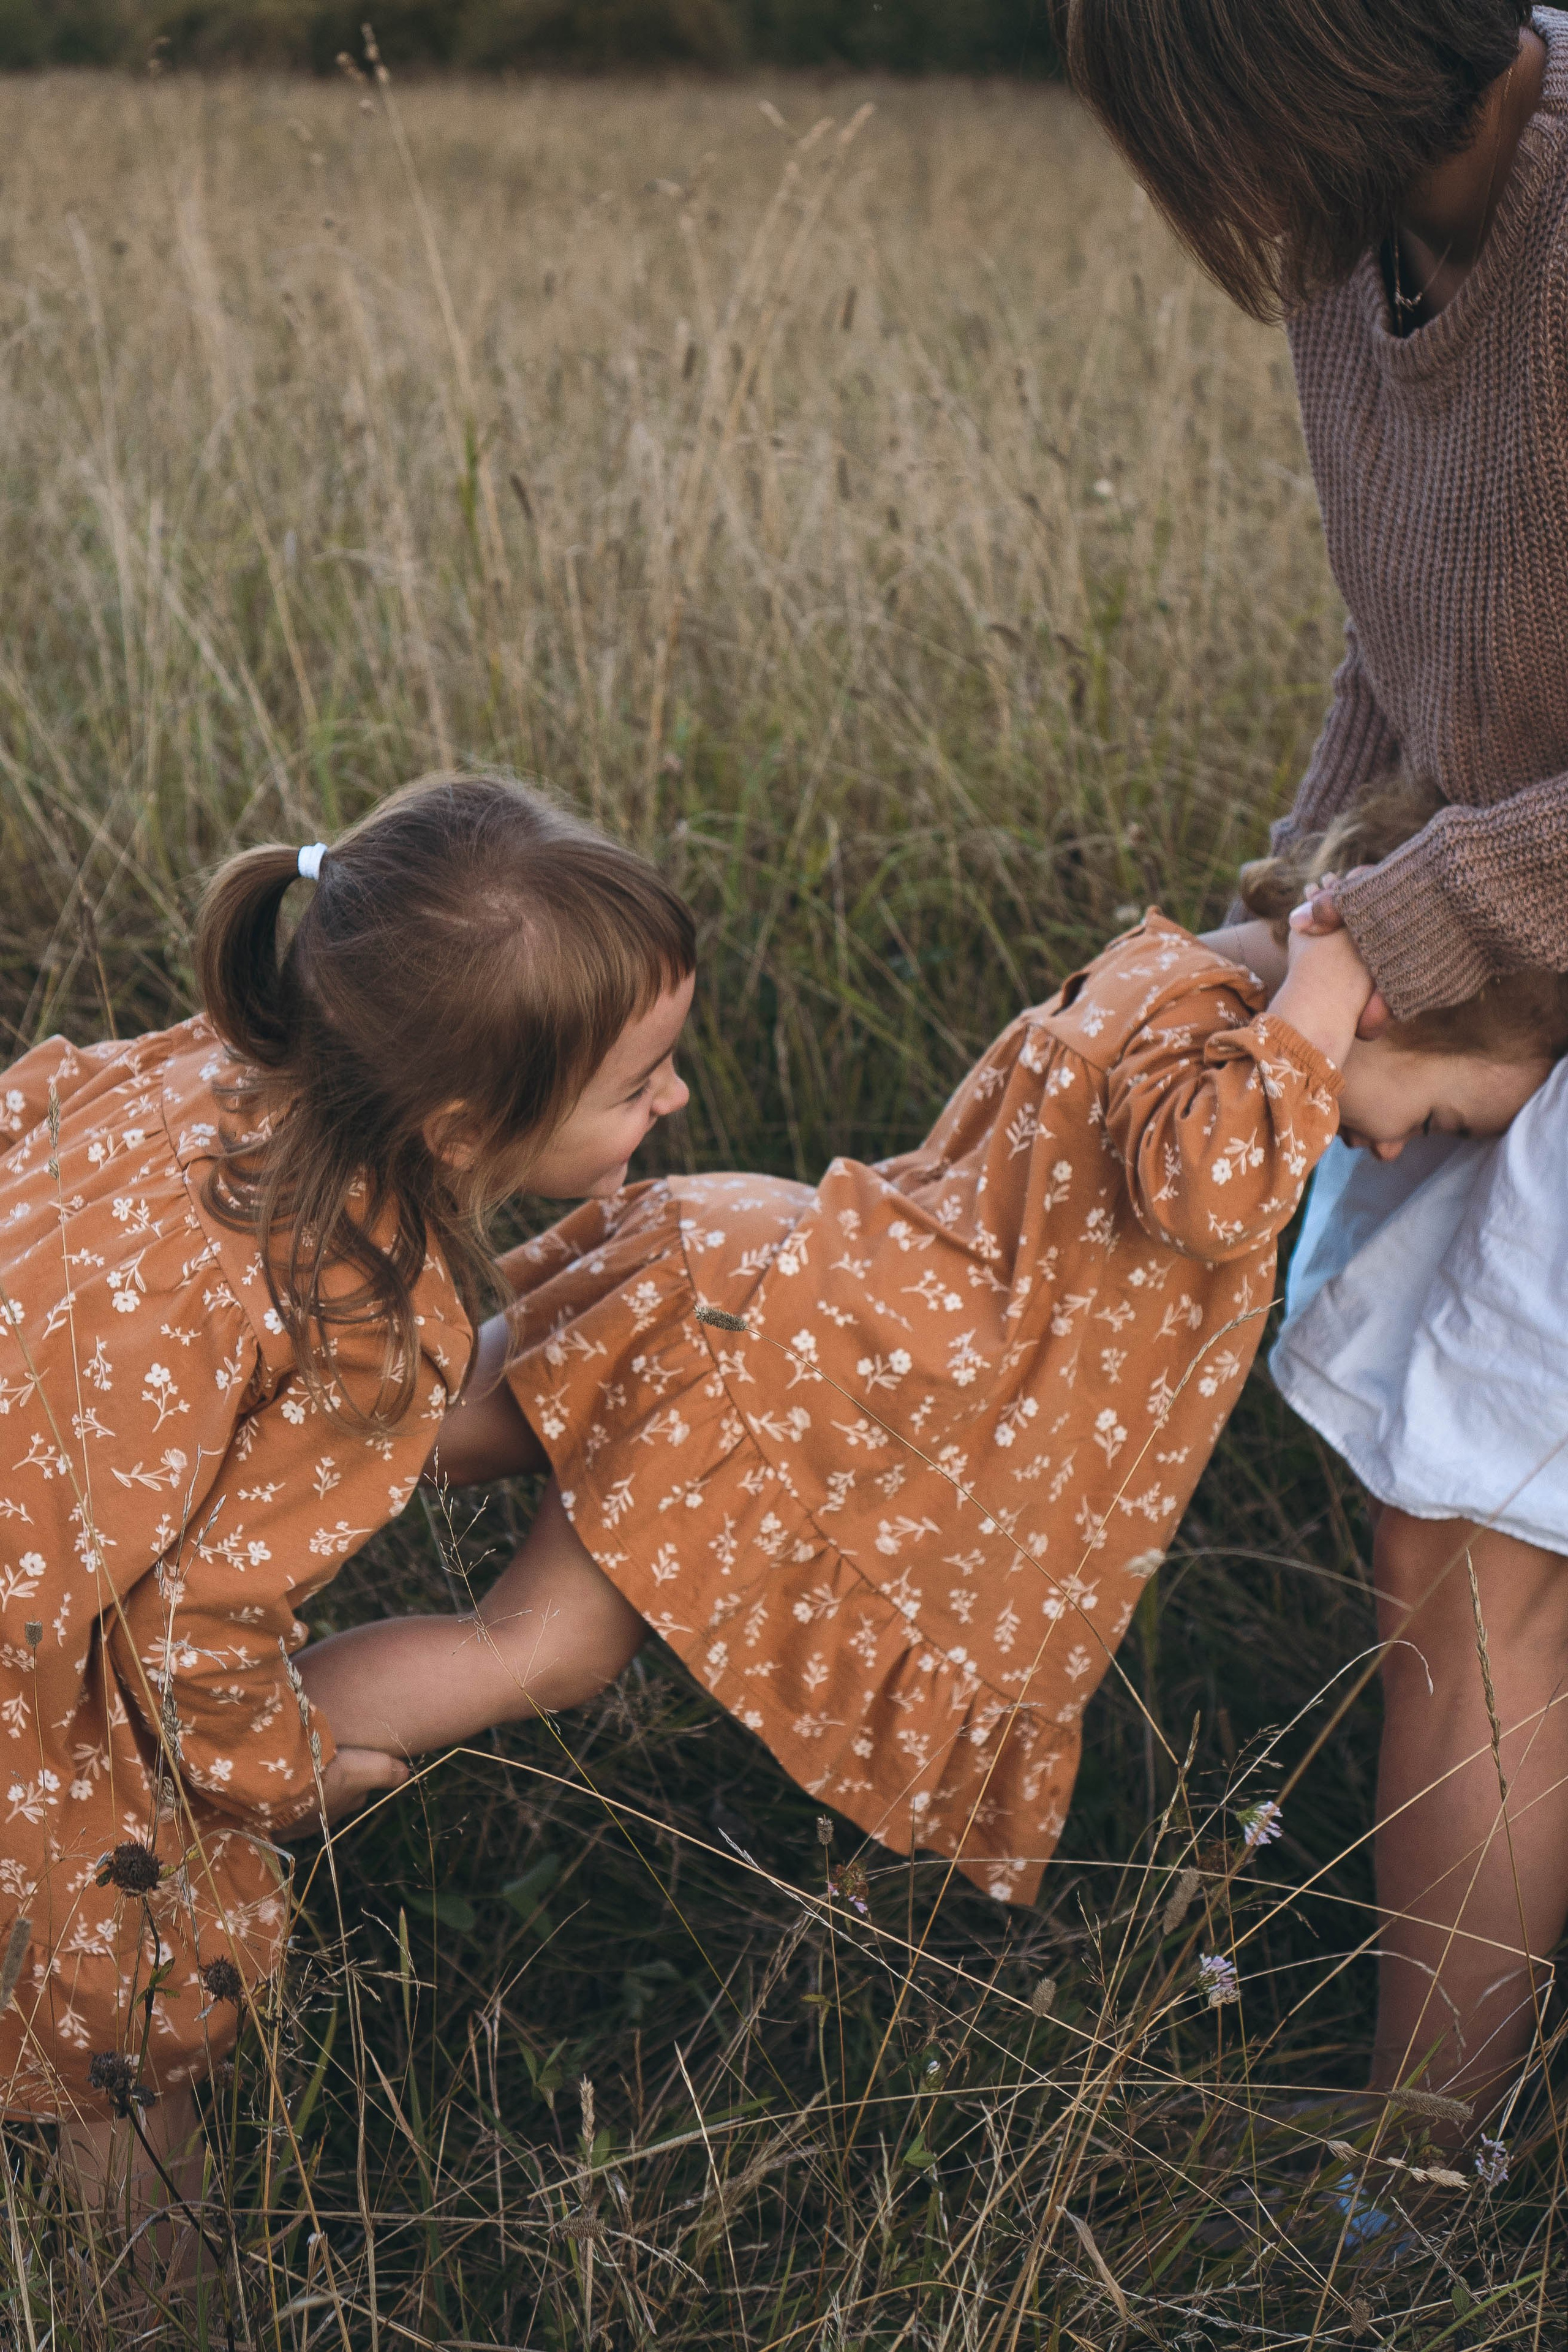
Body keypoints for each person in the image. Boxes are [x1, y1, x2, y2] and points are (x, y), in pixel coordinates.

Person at [1058, 0, 1568, 2113]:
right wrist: (1286, 912)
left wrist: (1379, 952)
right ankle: (1427, 2120)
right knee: (1442, 1539)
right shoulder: (1363, 243)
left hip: (1524, 941)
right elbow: (1408, 624)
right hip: (1521, 933)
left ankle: (1421, 2181)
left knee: (1478, 1548)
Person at [0, 775, 695, 2245]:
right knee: (116, 2037)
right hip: (23, 1645)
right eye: (637, 1086)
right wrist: (276, 1777)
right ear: (459, 1126)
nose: (675, 1100)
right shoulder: (359, 1314)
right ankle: (148, 2312)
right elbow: (194, 1633)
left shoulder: (209, 1064)